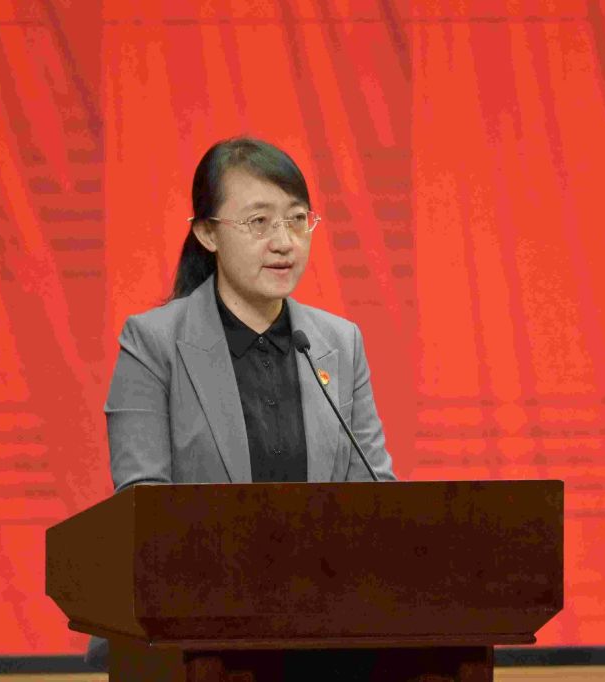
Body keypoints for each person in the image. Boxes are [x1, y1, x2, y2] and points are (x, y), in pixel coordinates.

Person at [86, 136, 396, 671]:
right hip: (197, 633)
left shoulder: (338, 343)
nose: (284, 242)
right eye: (258, 222)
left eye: (297, 220)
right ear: (207, 233)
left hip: (323, 631)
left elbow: (376, 495)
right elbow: (143, 507)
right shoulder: (154, 343)